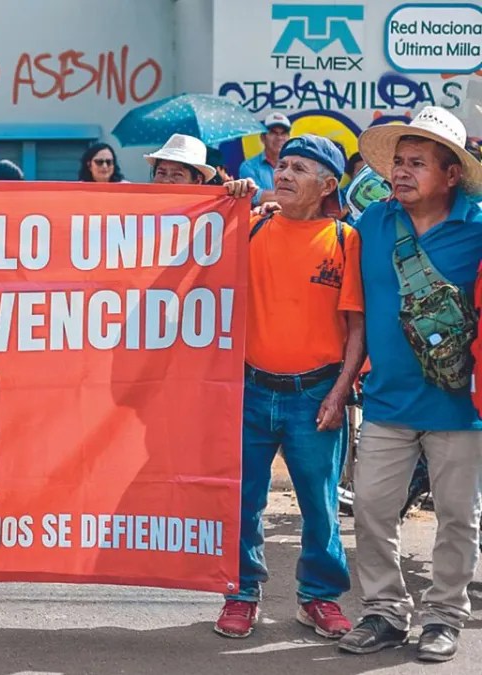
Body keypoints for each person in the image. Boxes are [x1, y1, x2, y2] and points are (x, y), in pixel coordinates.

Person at [337, 106, 482, 664]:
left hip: (460, 409)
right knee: (372, 508)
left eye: (417, 163)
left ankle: (444, 615)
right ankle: (384, 611)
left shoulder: (478, 226)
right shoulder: (372, 223)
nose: (401, 173)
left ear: (451, 175)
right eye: (397, 162)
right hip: (386, 402)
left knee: (457, 517)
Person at [215, 135, 364, 641]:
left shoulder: (346, 240)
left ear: (327, 185)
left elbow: (357, 327)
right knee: (243, 500)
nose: (283, 174)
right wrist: (230, 195)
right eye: (282, 165)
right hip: (250, 389)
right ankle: (241, 594)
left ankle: (318, 598)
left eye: (300, 168)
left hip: (316, 393)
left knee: (320, 504)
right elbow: (190, 239)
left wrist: (340, 391)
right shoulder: (251, 225)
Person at [238, 112, 292, 206]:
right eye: (273, 133)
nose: (279, 138)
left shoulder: (296, 165)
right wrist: (296, 196)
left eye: (283, 133)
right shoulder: (249, 166)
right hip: (262, 218)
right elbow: (254, 196)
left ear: (289, 137)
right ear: (263, 138)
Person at [144, 134, 217, 185]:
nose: (166, 181)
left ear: (197, 181)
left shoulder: (210, 207)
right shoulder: (142, 205)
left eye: (177, 174)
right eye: (161, 173)